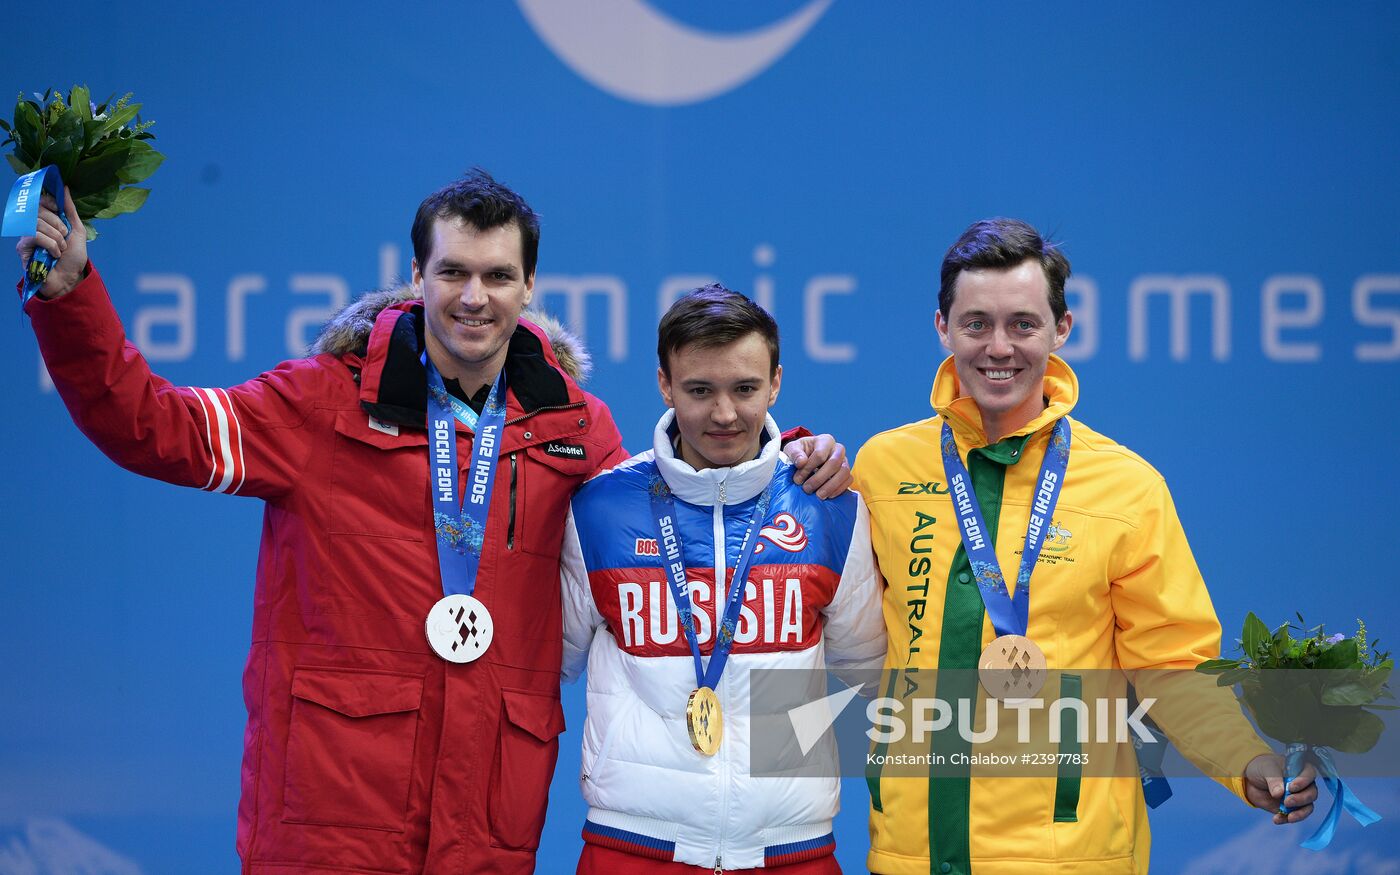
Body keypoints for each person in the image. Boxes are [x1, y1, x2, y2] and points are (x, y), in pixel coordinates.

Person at [16, 173, 850, 874]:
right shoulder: (319, 403)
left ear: (530, 289)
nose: (474, 297)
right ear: (417, 275)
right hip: (330, 814)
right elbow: (150, 426)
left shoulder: (575, 429)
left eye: (496, 275)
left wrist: (792, 464)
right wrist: (71, 298)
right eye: (453, 272)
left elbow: (680, 502)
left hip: (485, 818)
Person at [851, 219, 1318, 875]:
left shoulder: (1126, 486)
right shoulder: (882, 468)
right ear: (942, 327)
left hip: (1070, 855)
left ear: (1061, 329)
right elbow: (837, 624)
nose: (998, 347)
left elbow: (1172, 664)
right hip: (912, 852)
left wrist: (1247, 759)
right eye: (976, 323)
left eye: (1023, 323)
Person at [559, 285, 886, 873]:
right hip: (631, 847)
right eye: (700, 390)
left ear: (776, 382)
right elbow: (546, 665)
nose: (725, 414)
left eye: (745, 388)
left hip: (793, 850)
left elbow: (873, 674)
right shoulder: (599, 510)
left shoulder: (829, 507)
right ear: (664, 383)